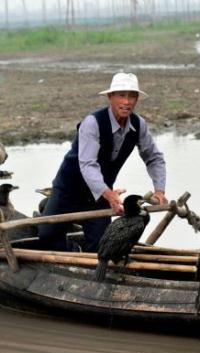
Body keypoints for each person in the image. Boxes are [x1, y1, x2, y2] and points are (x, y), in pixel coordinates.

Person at [38, 72, 167, 252]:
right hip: (69, 189)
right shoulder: (93, 123)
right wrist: (108, 194)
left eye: (132, 96)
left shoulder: (138, 125)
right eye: (122, 95)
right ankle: (74, 252)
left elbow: (154, 157)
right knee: (46, 236)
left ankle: (90, 267)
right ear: (110, 97)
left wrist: (159, 190)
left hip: (98, 196)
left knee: (101, 247)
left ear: (137, 99)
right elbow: (88, 164)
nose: (127, 102)